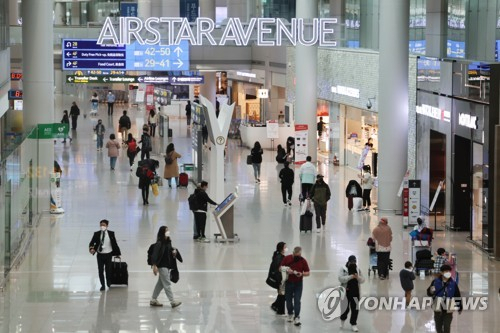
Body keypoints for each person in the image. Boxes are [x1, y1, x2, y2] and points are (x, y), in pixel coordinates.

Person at [150, 226, 182, 308]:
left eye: (168, 230)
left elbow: (169, 251)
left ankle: (153, 300)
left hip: (167, 266)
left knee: (160, 284)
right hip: (162, 266)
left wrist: (173, 252)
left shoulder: (168, 242)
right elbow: (155, 255)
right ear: (162, 232)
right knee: (167, 284)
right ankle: (172, 302)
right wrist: (154, 265)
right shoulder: (159, 243)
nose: (168, 232)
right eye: (166, 231)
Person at [427, 264, 462, 333]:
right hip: (438, 307)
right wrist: (431, 291)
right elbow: (429, 293)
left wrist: (459, 306)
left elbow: (457, 295)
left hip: (448, 308)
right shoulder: (435, 282)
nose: (448, 273)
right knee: (438, 328)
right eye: (446, 271)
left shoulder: (453, 283)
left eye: (449, 271)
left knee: (447, 327)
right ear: (441, 272)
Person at [280, 246, 310, 326]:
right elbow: (280, 268)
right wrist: (287, 270)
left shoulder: (303, 261)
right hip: (288, 282)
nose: (297, 257)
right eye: (295, 255)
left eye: (299, 255)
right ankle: (290, 313)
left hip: (298, 284)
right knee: (288, 301)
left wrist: (302, 274)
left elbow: (308, 272)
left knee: (297, 301)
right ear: (293, 253)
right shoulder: (287, 258)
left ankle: (297, 317)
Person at [88, 219, 121, 291]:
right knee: (100, 270)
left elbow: (114, 244)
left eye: (104, 225)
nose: (102, 226)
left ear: (107, 226)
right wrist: (91, 249)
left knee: (108, 270)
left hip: (108, 254)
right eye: (101, 225)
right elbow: (91, 243)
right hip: (100, 255)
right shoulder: (96, 234)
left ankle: (108, 283)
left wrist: (117, 253)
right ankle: (102, 285)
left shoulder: (111, 234)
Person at [338, 255, 364, 332]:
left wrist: (357, 277)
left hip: (355, 292)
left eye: (354, 261)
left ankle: (353, 324)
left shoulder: (358, 269)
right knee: (345, 309)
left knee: (355, 309)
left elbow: (363, 280)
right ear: (348, 261)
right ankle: (342, 321)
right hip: (345, 293)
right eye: (352, 261)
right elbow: (340, 279)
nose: (353, 263)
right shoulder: (343, 269)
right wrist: (350, 277)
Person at [269, 242, 287, 315]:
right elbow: (277, 271)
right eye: (285, 247)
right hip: (280, 280)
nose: (286, 248)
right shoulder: (279, 258)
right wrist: (280, 281)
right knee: (282, 295)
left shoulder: (281, 256)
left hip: (281, 279)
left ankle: (277, 307)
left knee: (282, 295)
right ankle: (278, 308)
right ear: (281, 249)